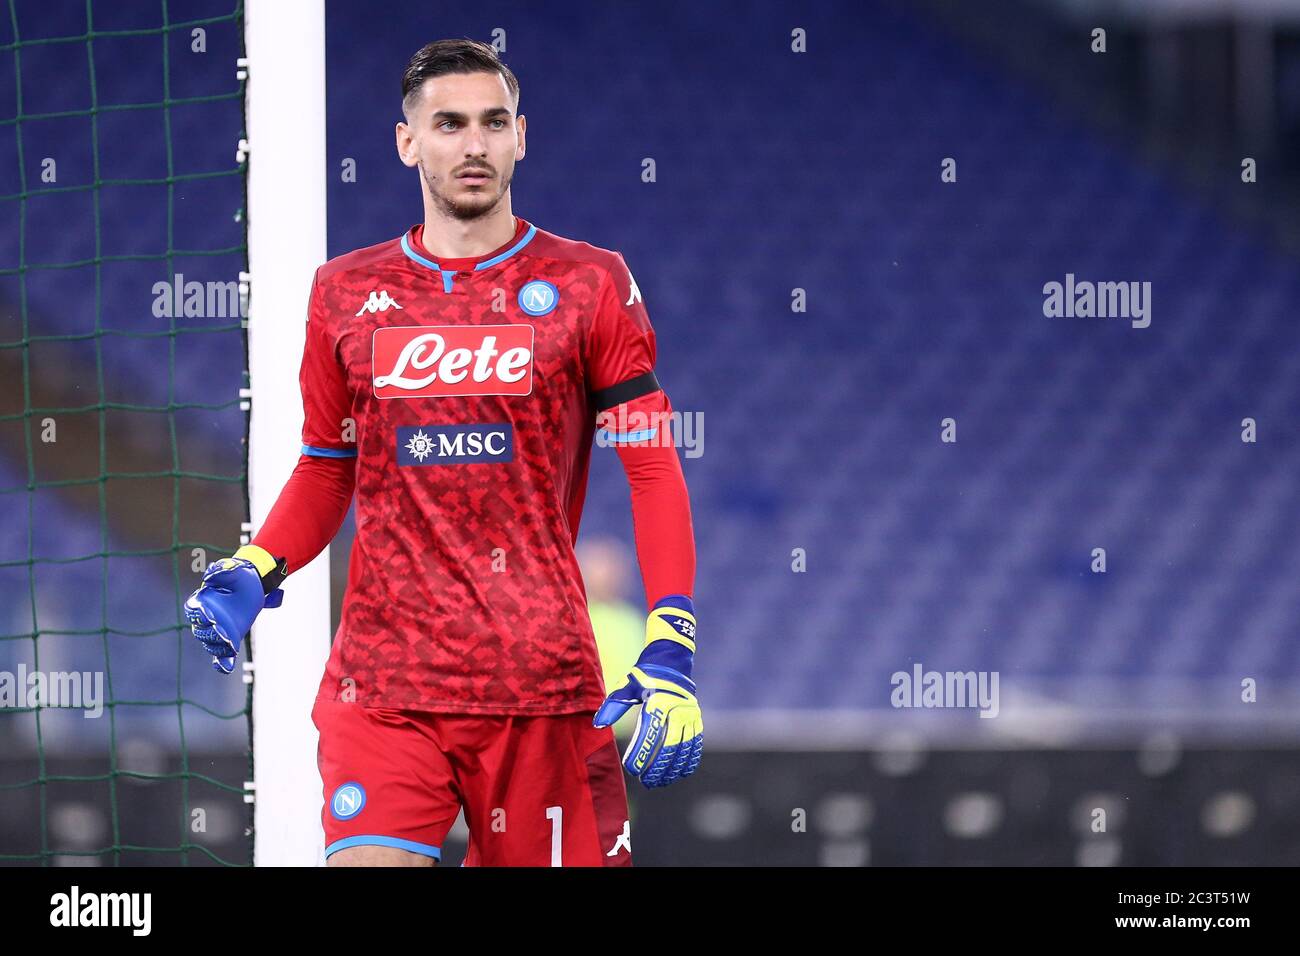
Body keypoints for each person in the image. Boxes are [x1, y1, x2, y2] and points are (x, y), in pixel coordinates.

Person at [183, 38, 700, 867]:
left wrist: (671, 634)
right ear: (407, 141)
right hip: (385, 686)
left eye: (493, 123)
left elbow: (651, 463)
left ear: (521, 136)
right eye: (449, 123)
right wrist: (257, 564)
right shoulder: (343, 293)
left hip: (543, 686)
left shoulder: (590, 284)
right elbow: (326, 464)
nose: (474, 145)